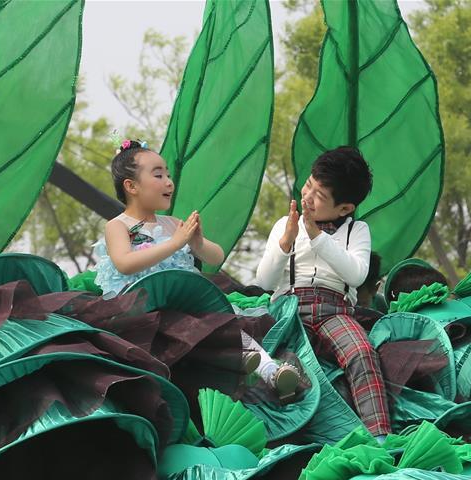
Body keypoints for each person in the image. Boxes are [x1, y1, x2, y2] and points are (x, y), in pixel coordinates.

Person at [94, 139, 299, 398]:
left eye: (168, 174)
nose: (169, 181)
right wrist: (176, 243)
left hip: (185, 303)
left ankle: (272, 372)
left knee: (222, 320)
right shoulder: (118, 225)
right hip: (142, 313)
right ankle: (240, 358)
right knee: (194, 327)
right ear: (131, 186)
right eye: (158, 175)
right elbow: (124, 263)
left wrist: (197, 241)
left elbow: (216, 255)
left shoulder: (173, 224)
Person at [255, 147, 390, 438]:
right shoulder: (284, 224)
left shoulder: (357, 230)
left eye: (319, 195)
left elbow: (356, 274)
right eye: (308, 185)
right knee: (279, 355)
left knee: (362, 352)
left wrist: (317, 238)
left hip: (335, 310)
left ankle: (379, 434)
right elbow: (265, 281)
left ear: (345, 209)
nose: (307, 197)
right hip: (288, 307)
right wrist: (286, 242)